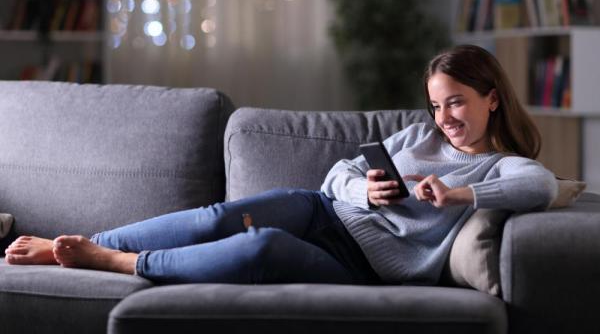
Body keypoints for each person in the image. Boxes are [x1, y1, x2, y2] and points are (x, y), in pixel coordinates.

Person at [4, 44, 557, 285]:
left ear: (492, 98)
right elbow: (336, 175)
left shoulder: (501, 168)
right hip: (326, 210)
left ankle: (121, 263)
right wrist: (367, 190)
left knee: (259, 247)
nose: (445, 117)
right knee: (218, 217)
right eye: (437, 104)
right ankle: (72, 244)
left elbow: (541, 183)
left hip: (363, 266)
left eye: (456, 101)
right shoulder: (417, 133)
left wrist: (458, 196)